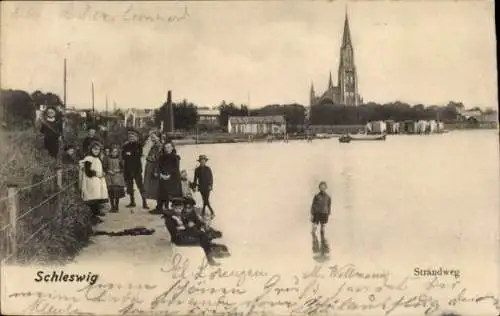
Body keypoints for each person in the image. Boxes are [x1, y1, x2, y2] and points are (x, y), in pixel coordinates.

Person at [163, 198, 220, 266]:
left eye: (180, 208)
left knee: (203, 235)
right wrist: (185, 225)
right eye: (176, 208)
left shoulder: (181, 215)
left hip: (184, 234)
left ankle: (210, 257)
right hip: (179, 239)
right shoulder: (170, 218)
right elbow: (175, 231)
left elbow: (187, 224)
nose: (178, 210)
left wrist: (187, 225)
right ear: (172, 207)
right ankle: (210, 259)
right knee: (203, 238)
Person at [80, 141, 109, 224]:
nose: (96, 151)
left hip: (97, 181)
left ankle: (95, 215)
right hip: (91, 181)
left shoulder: (97, 159)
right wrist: (97, 173)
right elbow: (88, 172)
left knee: (96, 198)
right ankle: (92, 217)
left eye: (98, 150)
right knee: (92, 198)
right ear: (91, 149)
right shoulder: (88, 158)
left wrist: (102, 173)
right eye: (95, 149)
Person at [122, 128, 148, 209]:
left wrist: (130, 154)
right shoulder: (125, 145)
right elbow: (123, 156)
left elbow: (139, 155)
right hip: (127, 168)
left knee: (140, 186)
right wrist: (130, 154)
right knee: (130, 186)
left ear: (136, 137)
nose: (131, 138)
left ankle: (144, 202)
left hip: (136, 168)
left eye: (133, 136)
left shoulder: (138, 145)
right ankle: (132, 201)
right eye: (130, 136)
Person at [154, 141, 181, 214]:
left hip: (173, 178)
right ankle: (160, 207)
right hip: (163, 176)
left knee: (168, 190)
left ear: (172, 148)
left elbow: (175, 168)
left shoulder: (176, 157)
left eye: (168, 147)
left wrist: (169, 175)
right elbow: (158, 167)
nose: (167, 149)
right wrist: (161, 174)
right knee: (161, 190)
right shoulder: (162, 157)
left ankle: (167, 208)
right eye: (165, 148)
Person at [143, 132, 163, 213]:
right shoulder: (154, 146)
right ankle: (158, 206)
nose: (152, 139)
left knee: (156, 187)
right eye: (151, 137)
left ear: (158, 137)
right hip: (150, 167)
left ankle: (159, 207)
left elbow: (159, 159)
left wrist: (156, 170)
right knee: (152, 187)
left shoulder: (159, 146)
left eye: (154, 137)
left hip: (154, 167)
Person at [310, 181, 332, 254]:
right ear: (319, 187)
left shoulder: (328, 197)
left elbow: (329, 206)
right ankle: (314, 240)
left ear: (326, 188)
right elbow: (313, 205)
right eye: (321, 186)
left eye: (324, 187)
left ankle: (323, 242)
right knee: (314, 229)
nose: (322, 188)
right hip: (316, 213)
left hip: (324, 214)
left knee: (322, 229)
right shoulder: (316, 196)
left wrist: (328, 213)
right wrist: (312, 214)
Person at [105, 144, 126, 212]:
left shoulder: (120, 159)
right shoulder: (107, 158)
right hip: (109, 177)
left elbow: (123, 168)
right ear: (110, 152)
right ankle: (112, 206)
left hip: (117, 177)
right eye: (113, 151)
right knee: (111, 192)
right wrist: (108, 170)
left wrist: (119, 170)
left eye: (116, 151)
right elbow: (104, 167)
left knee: (117, 192)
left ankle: (116, 207)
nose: (114, 153)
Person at [193, 154, 215, 219]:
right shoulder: (197, 169)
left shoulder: (208, 169)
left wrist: (210, 185)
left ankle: (211, 211)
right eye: (201, 161)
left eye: (204, 160)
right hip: (201, 187)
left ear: (205, 161)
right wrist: (194, 187)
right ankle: (204, 211)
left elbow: (211, 178)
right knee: (204, 199)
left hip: (207, 187)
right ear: (199, 162)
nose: (203, 162)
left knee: (206, 200)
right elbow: (195, 179)